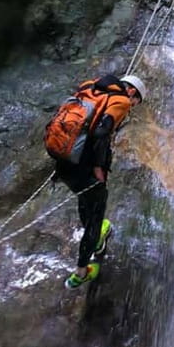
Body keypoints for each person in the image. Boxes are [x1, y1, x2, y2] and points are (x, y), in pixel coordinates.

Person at [54, 73, 146, 289]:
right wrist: (98, 167)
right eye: (135, 103)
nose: (131, 107)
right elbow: (100, 132)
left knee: (85, 201)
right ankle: (81, 272)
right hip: (85, 167)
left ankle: (96, 234)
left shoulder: (92, 88)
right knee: (96, 213)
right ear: (132, 92)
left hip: (65, 159)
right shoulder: (121, 101)